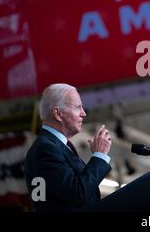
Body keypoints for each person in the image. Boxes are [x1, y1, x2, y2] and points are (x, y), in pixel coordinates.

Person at [25, 83, 112, 211]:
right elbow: (77, 193)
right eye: (78, 107)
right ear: (58, 113)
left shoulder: (55, 146)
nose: (84, 113)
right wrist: (99, 156)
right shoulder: (45, 149)